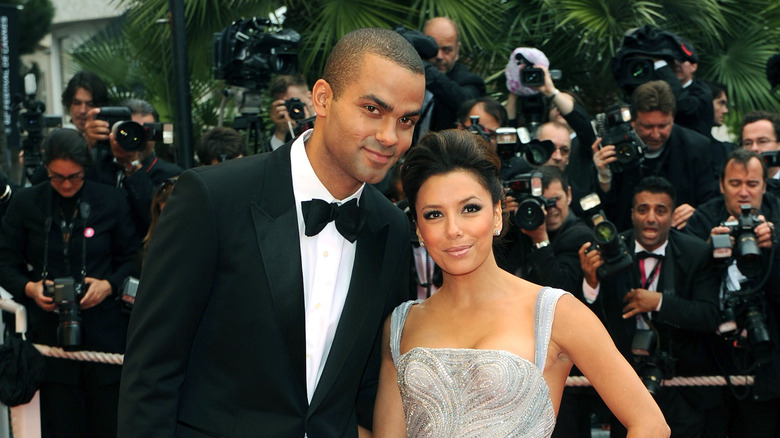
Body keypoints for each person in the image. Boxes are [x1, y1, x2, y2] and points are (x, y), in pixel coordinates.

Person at [117, 27, 425, 438]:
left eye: (406, 120)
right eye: (373, 109)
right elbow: (151, 370)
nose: (390, 137)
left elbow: (370, 383)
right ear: (323, 99)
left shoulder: (391, 227)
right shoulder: (213, 198)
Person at [373, 129, 670, 437]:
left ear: (498, 214)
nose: (453, 229)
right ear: (419, 229)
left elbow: (650, 424)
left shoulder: (555, 313)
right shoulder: (401, 324)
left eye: (470, 209)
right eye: (434, 214)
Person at [0, 128, 139, 438]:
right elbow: (5, 262)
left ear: (86, 170)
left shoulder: (111, 200)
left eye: (74, 177)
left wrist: (109, 286)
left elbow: (133, 258)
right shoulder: (26, 203)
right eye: (57, 177)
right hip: (48, 342)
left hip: (105, 337)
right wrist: (29, 288)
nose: (65, 184)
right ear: (46, 169)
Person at [579, 176, 720, 437]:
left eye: (660, 210)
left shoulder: (696, 253)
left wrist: (660, 303)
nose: (651, 218)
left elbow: (709, 316)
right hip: (625, 386)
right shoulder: (610, 247)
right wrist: (590, 283)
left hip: (684, 386)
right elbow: (590, 321)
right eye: (643, 209)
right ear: (632, 213)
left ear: (671, 215)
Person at [683, 149, 780, 437]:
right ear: (722, 184)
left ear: (765, 184)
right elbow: (684, 277)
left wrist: (775, 247)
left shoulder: (777, 214)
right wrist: (706, 251)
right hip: (713, 354)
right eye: (735, 183)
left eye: (752, 184)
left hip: (769, 353)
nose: (744, 192)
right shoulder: (704, 218)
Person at [593, 80, 718, 232]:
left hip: (681, 239)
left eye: (663, 126)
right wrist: (604, 177)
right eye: (648, 126)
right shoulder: (615, 146)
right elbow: (605, 210)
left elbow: (713, 201)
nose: (656, 134)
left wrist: (696, 212)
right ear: (633, 122)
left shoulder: (697, 147)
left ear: (673, 119)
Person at [83, 99, 182, 237]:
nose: (137, 138)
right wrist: (86, 145)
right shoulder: (97, 168)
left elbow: (156, 220)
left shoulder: (171, 175)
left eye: (144, 132)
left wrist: (132, 165)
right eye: (130, 131)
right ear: (113, 132)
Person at [414, 17, 486, 140]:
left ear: (457, 50)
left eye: (447, 50)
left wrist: (422, 66)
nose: (439, 56)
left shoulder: (470, 81)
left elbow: (464, 102)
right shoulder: (409, 77)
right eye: (433, 49)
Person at [268, 74, 316, 151]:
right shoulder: (283, 129)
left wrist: (306, 125)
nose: (294, 108)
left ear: (310, 97)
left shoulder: (327, 121)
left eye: (296, 102)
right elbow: (273, 160)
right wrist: (280, 131)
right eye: (287, 104)